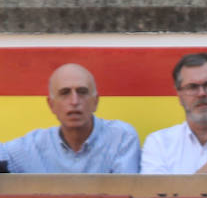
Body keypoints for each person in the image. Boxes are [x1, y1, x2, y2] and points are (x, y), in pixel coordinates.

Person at [2, 63, 140, 174]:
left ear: (95, 102)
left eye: (82, 92)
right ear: (51, 105)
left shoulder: (120, 139)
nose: (74, 101)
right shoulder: (32, 147)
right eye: (64, 93)